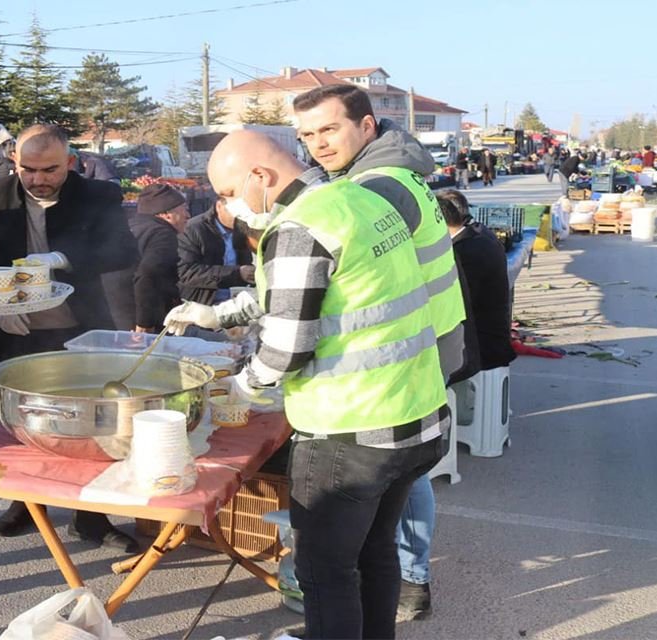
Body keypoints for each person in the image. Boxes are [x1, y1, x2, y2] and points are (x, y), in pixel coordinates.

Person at [163, 129, 447, 640]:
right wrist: (216, 312)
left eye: (228, 193)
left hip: (351, 428)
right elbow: (304, 291)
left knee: (324, 572)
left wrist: (241, 389)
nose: (229, 206)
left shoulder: (300, 226)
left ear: (260, 177)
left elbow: (287, 346)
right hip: (416, 410)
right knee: (375, 552)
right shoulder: (356, 198)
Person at [293, 83, 471, 624]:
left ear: (367, 127)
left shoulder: (373, 190)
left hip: (389, 382)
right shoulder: (398, 176)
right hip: (420, 366)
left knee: (331, 566)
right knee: (374, 545)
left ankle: (415, 579)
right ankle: (407, 588)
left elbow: (341, 297)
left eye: (329, 129)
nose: (318, 145)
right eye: (307, 136)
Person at [0, 123, 141, 552]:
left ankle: (90, 517)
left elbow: (123, 251)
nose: (39, 179)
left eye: (50, 170)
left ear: (70, 163)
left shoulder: (98, 196)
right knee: (18, 425)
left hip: (77, 330)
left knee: (89, 430)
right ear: (15, 163)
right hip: (12, 332)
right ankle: (26, 502)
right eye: (29, 170)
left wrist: (63, 258)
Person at [438, 190, 516, 371]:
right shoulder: (479, 233)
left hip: (482, 346)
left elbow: (459, 303)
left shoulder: (467, 251)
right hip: (491, 336)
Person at [128, 183, 188, 333]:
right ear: (167, 214)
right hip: (141, 320)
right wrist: (144, 323)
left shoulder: (131, 225)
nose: (188, 215)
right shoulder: (163, 235)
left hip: (118, 312)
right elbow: (147, 275)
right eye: (184, 209)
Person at [177, 196, 255, 305]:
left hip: (237, 302)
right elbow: (186, 272)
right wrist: (238, 273)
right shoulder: (192, 229)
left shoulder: (243, 229)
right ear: (219, 206)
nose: (240, 217)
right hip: (201, 304)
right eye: (235, 212)